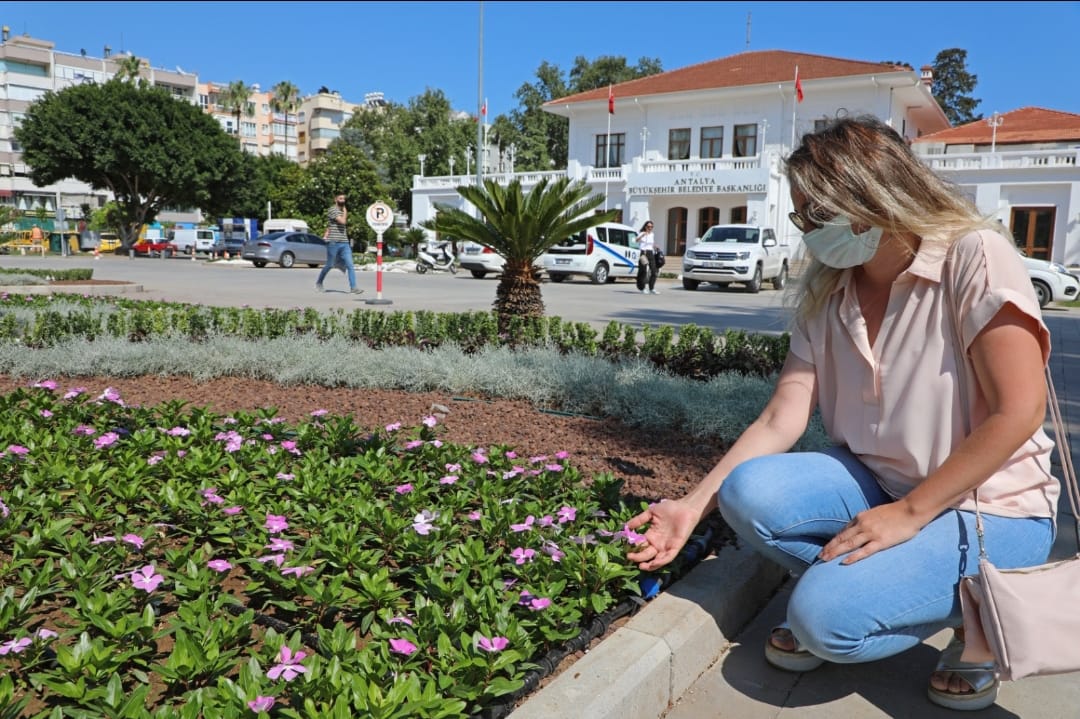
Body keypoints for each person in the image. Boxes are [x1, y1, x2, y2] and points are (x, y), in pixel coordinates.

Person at [626, 116, 1058, 712]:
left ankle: (973, 626)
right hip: (883, 486)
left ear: (871, 199)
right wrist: (691, 507)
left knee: (824, 619)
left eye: (814, 215)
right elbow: (781, 418)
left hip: (992, 508)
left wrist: (909, 515)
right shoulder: (831, 290)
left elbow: (1021, 410)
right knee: (747, 492)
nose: (806, 230)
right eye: (801, 216)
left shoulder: (971, 256)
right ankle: (875, 589)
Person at [316, 192, 362, 294]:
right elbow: (342, 222)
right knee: (329, 265)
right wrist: (346, 211)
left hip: (344, 242)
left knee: (350, 265)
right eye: (340, 199)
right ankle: (319, 282)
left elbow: (331, 225)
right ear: (335, 199)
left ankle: (353, 287)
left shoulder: (342, 211)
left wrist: (344, 212)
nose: (343, 201)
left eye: (344, 199)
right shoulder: (333, 210)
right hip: (333, 242)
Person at [636, 220, 659, 294]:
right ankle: (642, 288)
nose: (650, 228)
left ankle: (651, 288)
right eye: (649, 227)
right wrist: (643, 235)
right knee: (643, 271)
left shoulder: (652, 234)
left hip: (650, 253)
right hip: (643, 253)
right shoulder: (642, 233)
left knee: (654, 270)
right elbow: (636, 240)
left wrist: (655, 246)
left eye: (651, 227)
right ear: (645, 227)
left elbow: (651, 243)